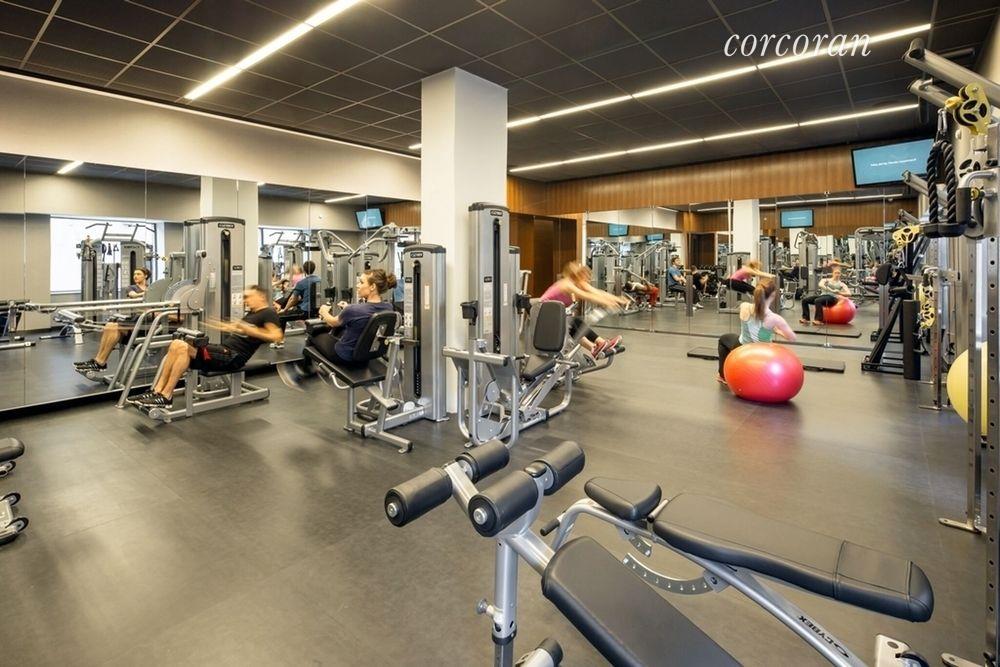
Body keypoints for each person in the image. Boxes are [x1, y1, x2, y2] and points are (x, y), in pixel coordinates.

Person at [133, 285, 282, 409]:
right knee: (176, 344)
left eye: (248, 297)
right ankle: (157, 391)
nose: (245, 300)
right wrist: (221, 325)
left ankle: (166, 396)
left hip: (233, 356)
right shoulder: (252, 314)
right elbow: (239, 329)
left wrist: (250, 330)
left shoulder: (268, 312)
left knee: (182, 347)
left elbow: (277, 336)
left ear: (261, 297)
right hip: (224, 350)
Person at [307, 269, 397, 367]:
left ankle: (306, 369)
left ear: (372, 287)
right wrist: (347, 308)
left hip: (344, 356)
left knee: (312, 335)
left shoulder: (353, 310)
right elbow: (367, 312)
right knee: (340, 331)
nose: (357, 285)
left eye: (361, 282)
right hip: (366, 356)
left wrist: (323, 311)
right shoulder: (388, 307)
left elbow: (333, 322)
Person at [540, 261, 626, 358]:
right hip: (541, 315)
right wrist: (608, 303)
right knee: (573, 322)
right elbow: (587, 296)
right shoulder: (566, 284)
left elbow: (597, 292)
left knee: (574, 323)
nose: (588, 279)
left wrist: (617, 299)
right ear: (578, 275)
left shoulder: (578, 283)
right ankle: (597, 345)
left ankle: (596, 346)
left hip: (554, 315)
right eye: (586, 276)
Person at [74, 268, 152, 374]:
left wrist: (149, 293)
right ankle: (99, 360)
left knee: (113, 327)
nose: (135, 276)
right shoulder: (132, 287)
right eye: (134, 274)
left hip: (146, 320)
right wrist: (146, 293)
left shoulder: (152, 288)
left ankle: (100, 362)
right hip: (136, 319)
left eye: (138, 274)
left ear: (145, 276)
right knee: (109, 325)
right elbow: (133, 295)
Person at [717, 280, 796, 383]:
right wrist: (777, 331)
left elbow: (755, 317)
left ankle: (722, 376)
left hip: (742, 349)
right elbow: (792, 338)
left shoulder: (744, 306)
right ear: (773, 296)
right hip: (763, 354)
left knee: (723, 339)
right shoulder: (775, 318)